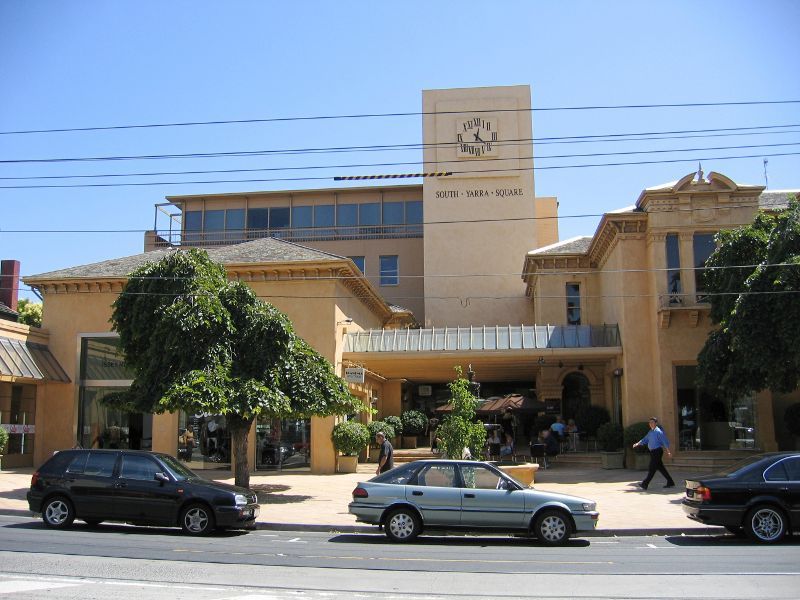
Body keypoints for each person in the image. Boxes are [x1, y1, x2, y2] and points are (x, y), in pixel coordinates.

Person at [633, 417, 676, 490]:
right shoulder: (650, 432)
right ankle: (670, 481)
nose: (651, 424)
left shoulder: (658, 432)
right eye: (650, 423)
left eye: (652, 422)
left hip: (657, 451)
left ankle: (645, 484)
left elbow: (665, 441)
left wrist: (668, 451)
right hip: (653, 452)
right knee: (661, 468)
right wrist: (637, 443)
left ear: (656, 423)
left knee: (652, 468)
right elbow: (645, 439)